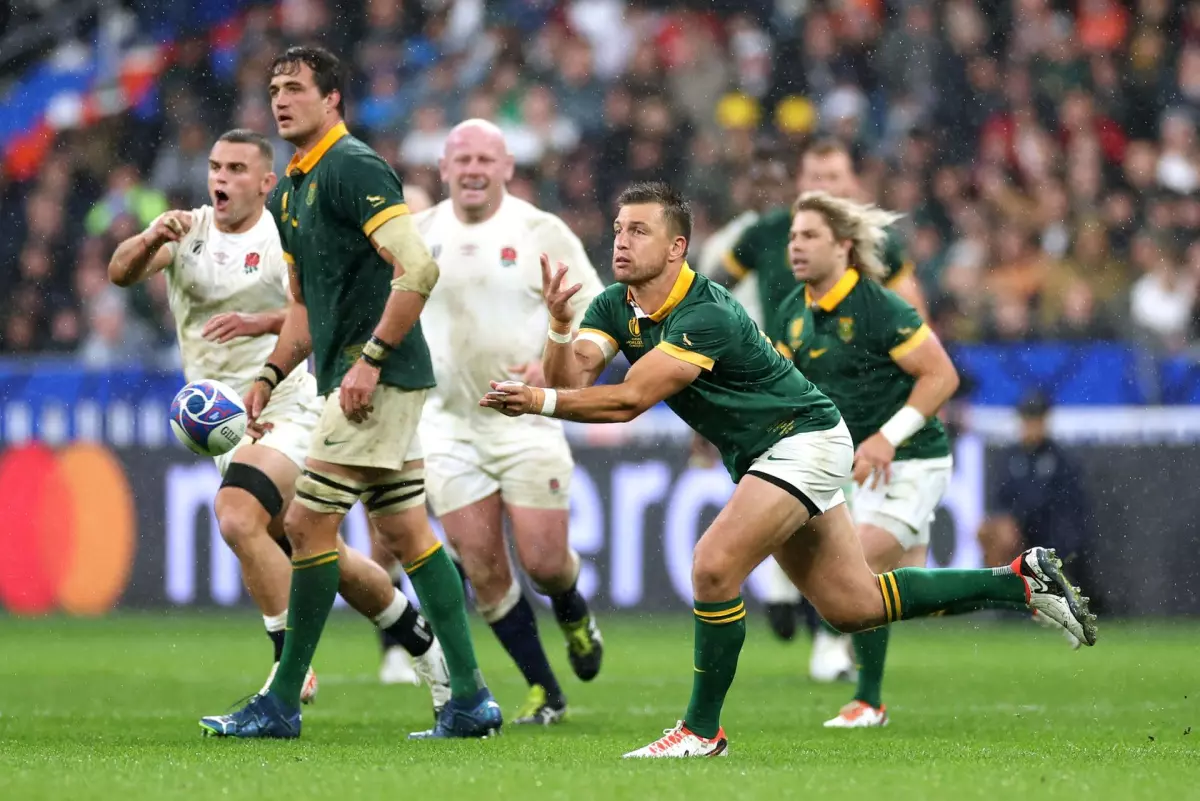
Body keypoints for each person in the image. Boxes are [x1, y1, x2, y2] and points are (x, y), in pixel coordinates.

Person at [480, 181, 1096, 758]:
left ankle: (700, 730)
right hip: (777, 449)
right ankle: (1019, 581)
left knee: (713, 566)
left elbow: (627, 401)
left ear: (677, 247)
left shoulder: (705, 313)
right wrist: (561, 329)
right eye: (618, 228)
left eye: (638, 231)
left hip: (803, 441)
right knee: (852, 605)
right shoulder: (616, 304)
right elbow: (573, 383)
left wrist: (536, 399)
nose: (620, 240)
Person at [198, 46, 499, 740]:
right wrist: (271, 372)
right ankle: (471, 698)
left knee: (305, 525)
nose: (281, 98)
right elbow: (302, 308)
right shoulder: (293, 189)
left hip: (377, 381)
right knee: (407, 532)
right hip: (353, 378)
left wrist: (370, 360)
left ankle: (280, 702)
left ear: (333, 100)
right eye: (274, 87)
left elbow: (418, 267)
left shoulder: (352, 166)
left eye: (297, 87)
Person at [108, 128, 450, 714]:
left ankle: (288, 670)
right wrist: (145, 240)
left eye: (238, 168)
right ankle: (414, 632)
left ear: (266, 183)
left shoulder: (284, 234)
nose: (221, 178)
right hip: (222, 421)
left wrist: (259, 325)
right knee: (312, 546)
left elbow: (318, 310)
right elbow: (120, 273)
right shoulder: (186, 230)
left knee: (237, 515)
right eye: (216, 166)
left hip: (285, 408)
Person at [412, 119, 606, 725]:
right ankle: (545, 689)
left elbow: (596, 312)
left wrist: (556, 356)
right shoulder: (417, 235)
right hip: (447, 425)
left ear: (507, 168)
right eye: (462, 159)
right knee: (483, 568)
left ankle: (573, 612)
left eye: (484, 159)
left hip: (525, 417)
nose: (472, 169)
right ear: (443, 169)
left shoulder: (540, 230)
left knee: (546, 563)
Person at [717, 137, 928, 679]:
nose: (824, 187)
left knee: (864, 541)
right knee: (802, 513)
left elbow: (915, 314)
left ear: (852, 182)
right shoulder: (764, 233)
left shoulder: (874, 244)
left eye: (834, 177)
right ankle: (808, 614)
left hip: (859, 409)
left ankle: (822, 629)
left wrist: (905, 401)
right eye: (815, 177)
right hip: (786, 400)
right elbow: (712, 287)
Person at [773, 191, 959, 727]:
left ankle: (868, 700)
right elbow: (782, 395)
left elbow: (942, 375)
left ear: (844, 247)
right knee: (914, 592)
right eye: (792, 237)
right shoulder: (792, 314)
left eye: (810, 236)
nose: (797, 247)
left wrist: (887, 437)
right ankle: (1021, 587)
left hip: (913, 459)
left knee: (859, 574)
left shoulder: (880, 307)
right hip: (860, 472)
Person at [979, 392, 1095, 632]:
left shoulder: (1060, 458)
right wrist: (1009, 520)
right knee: (987, 531)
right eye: (1027, 419)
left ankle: (1028, 597)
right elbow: (999, 499)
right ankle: (1006, 596)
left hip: (1050, 531)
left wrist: (1021, 521)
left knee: (1005, 533)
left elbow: (1065, 506)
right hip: (1017, 530)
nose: (1031, 426)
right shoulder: (1011, 456)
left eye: (1036, 419)